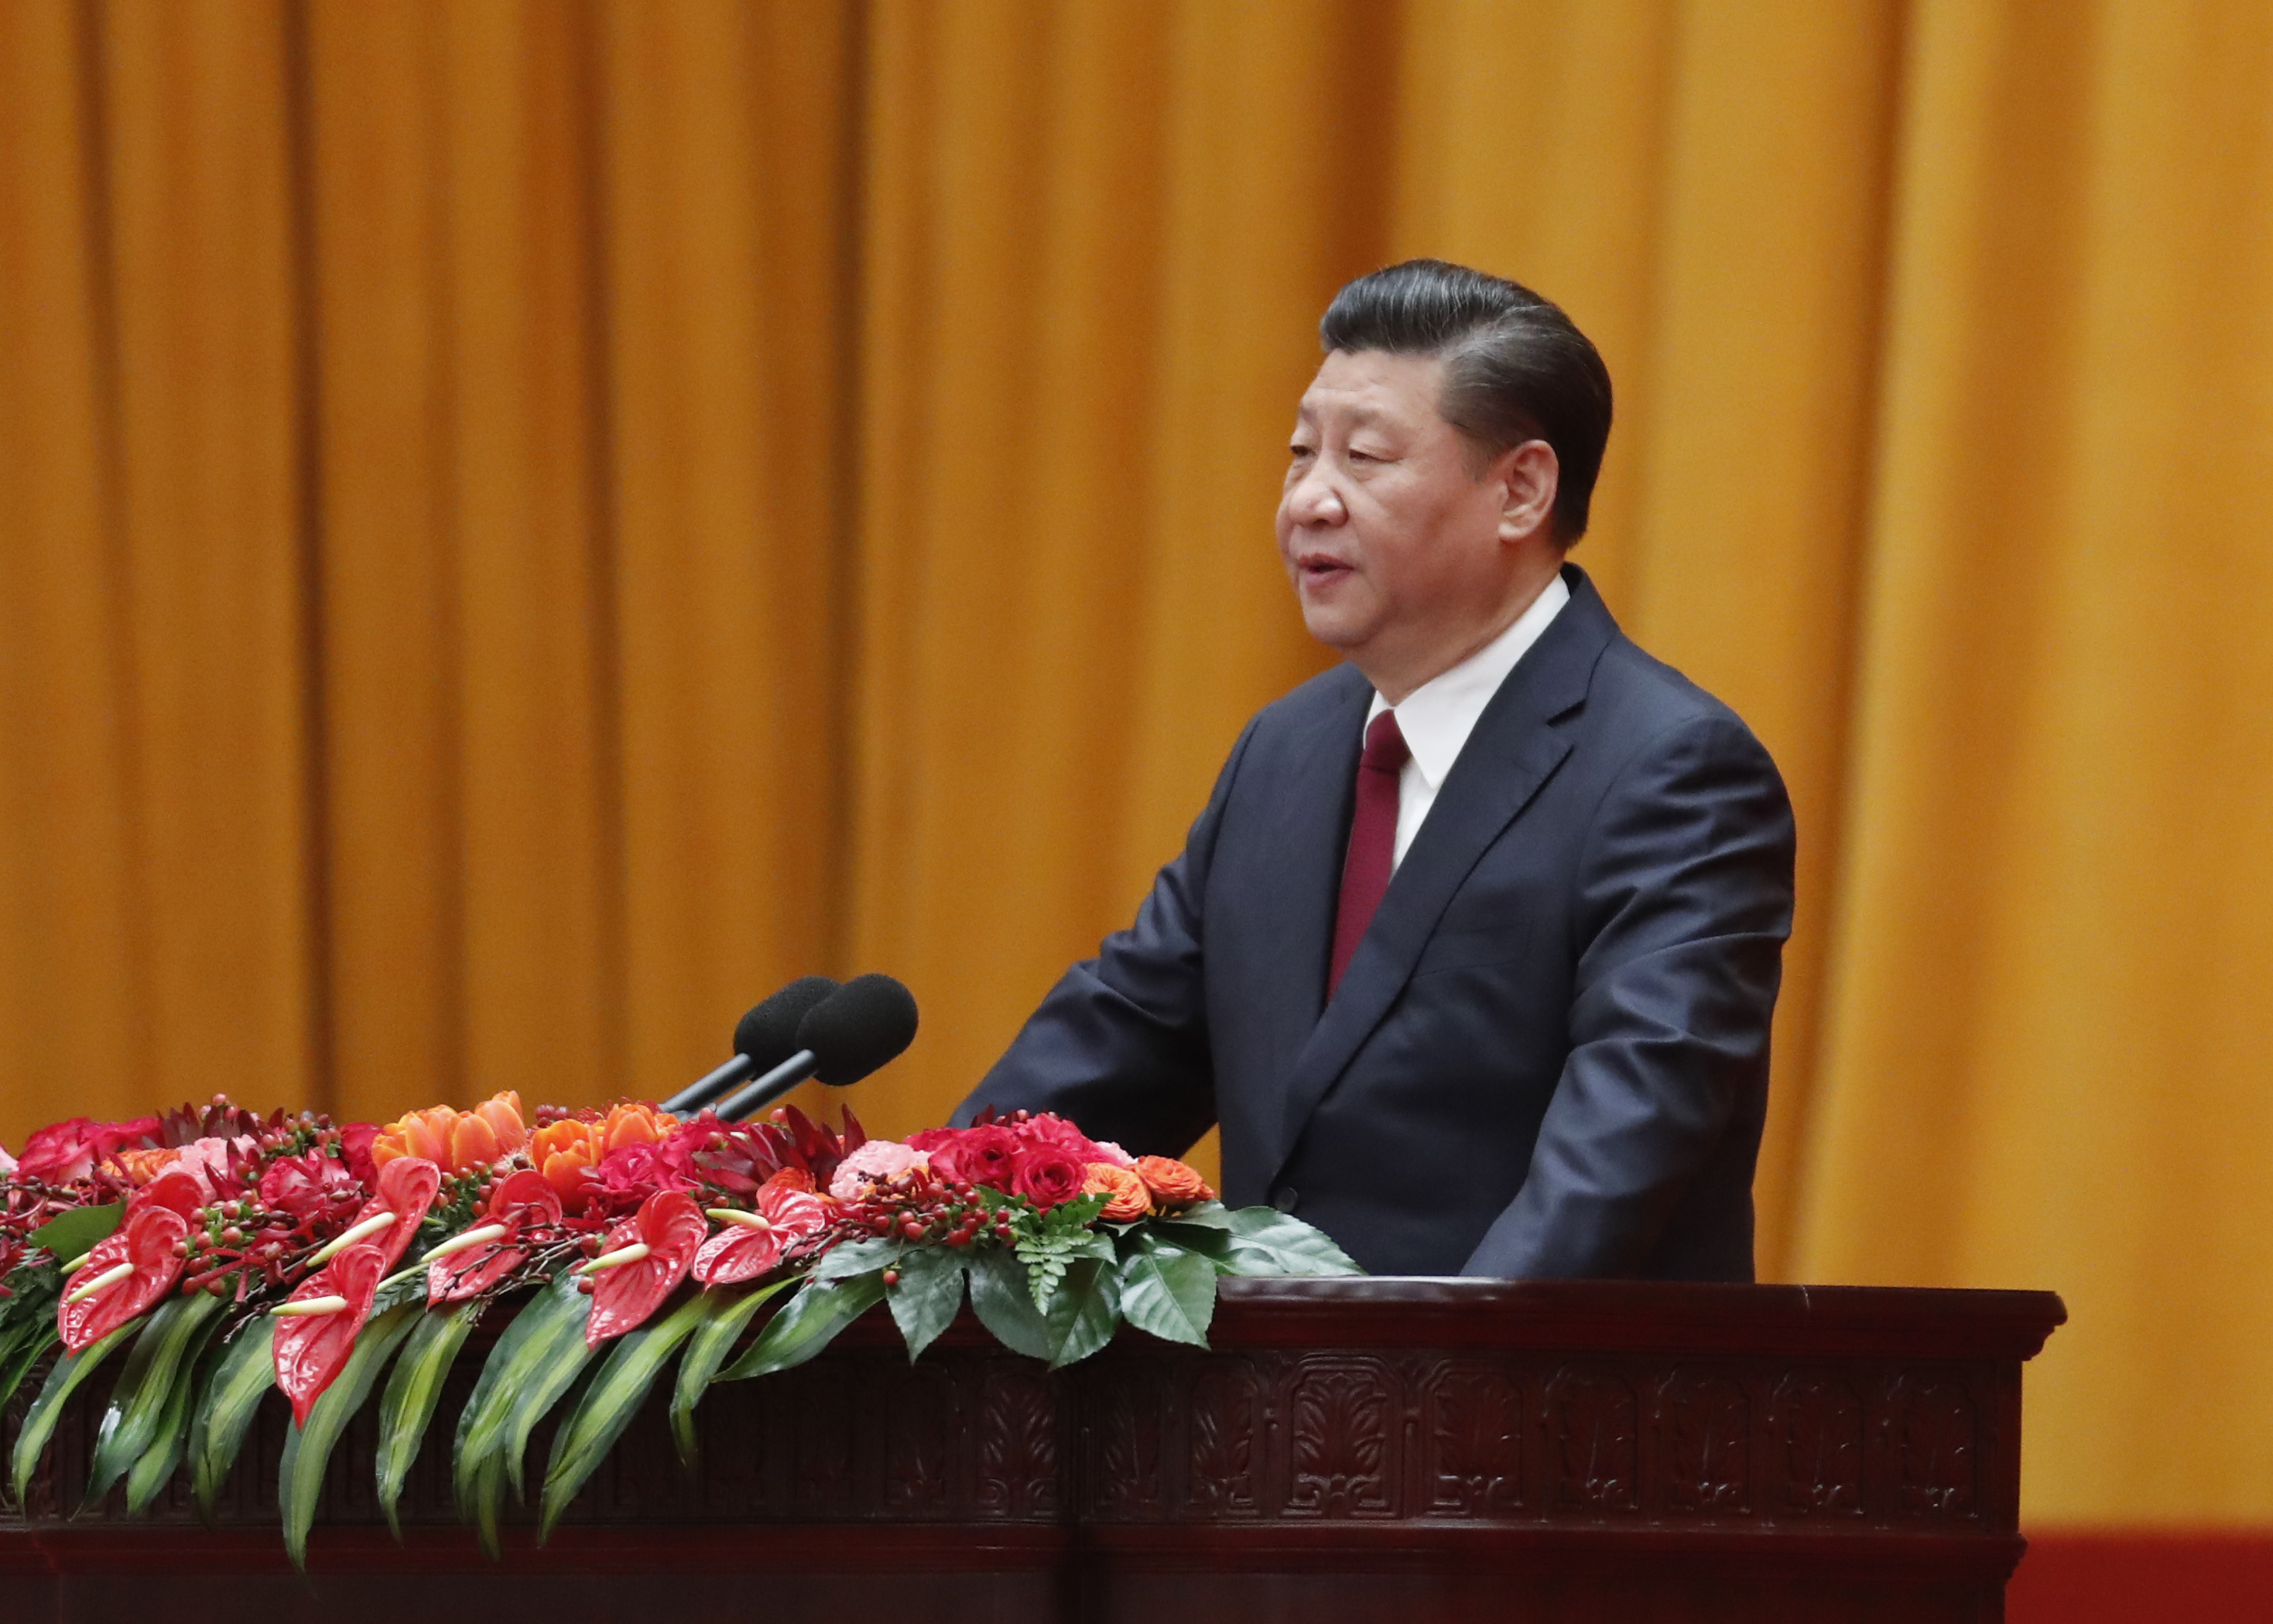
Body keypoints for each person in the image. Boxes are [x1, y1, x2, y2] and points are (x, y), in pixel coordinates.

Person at [952, 260, 1795, 1280]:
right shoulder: (1286, 752)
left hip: (1544, 1416)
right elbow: (1122, 1041)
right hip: (1282, 1418)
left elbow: (1619, 1156)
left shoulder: (1668, 770)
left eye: (1363, 458)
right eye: (1300, 453)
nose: (1308, 500)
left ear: (1520, 490)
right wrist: (895, 1228)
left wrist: (1432, 1386)